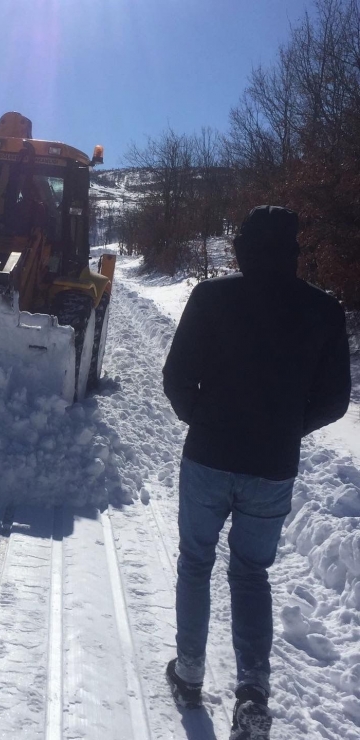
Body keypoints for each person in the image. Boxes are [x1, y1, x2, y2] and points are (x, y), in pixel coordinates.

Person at [162, 206, 351, 739]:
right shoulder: (324, 310)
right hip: (271, 467)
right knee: (250, 574)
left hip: (207, 457)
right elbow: (336, 400)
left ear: (243, 248)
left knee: (196, 562)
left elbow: (176, 377)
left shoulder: (211, 298)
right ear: (293, 251)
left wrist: (203, 420)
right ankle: (252, 694)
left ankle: (190, 672)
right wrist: (286, 427)